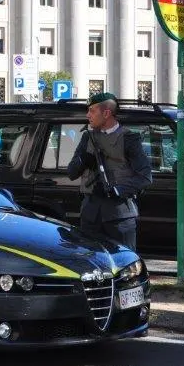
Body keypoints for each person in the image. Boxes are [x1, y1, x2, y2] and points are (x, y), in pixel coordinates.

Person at [67, 92, 152, 250]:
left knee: (124, 262)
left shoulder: (129, 138)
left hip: (119, 215)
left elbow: (145, 177)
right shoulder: (88, 137)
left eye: (92, 111)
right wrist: (83, 160)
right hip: (90, 215)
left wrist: (118, 190)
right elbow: (71, 173)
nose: (88, 115)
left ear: (106, 113)